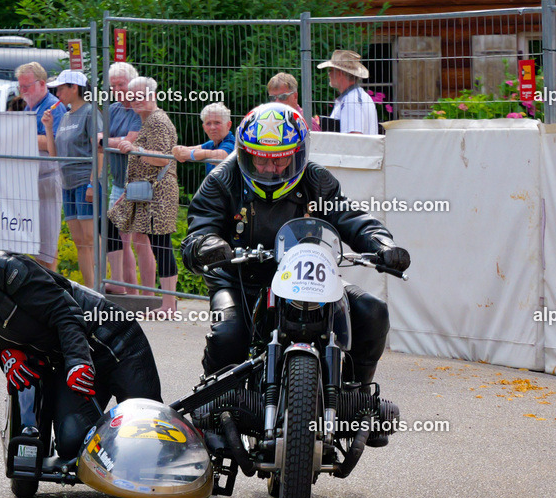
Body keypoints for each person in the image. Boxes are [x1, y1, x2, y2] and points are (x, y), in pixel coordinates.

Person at [180, 102, 410, 444]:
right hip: (242, 277)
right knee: (228, 332)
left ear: (298, 153)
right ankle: (214, 413)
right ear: (245, 153)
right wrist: (207, 245)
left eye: (281, 158)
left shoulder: (316, 179)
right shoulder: (223, 180)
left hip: (305, 275)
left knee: (372, 311)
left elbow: (349, 217)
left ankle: (359, 395)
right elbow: (199, 227)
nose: (271, 166)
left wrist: (381, 243)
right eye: (260, 157)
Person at [0, 218, 162, 460]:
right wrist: (7, 356)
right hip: (68, 363)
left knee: (150, 441)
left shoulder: (2, 268)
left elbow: (65, 312)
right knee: (72, 444)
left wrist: (79, 360)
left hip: (114, 341)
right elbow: (3, 338)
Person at [111, 76, 179, 313]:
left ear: (153, 96)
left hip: (158, 194)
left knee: (162, 247)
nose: (136, 100)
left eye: (141, 95)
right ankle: (162, 300)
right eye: (133, 96)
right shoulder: (148, 121)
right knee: (114, 224)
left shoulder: (157, 121)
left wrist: (135, 149)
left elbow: (162, 159)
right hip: (147, 193)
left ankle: (169, 304)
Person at [42, 69, 103, 289]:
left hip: (83, 181)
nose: (57, 93)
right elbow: (54, 153)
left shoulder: (90, 112)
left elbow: (100, 149)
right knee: (79, 241)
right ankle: (90, 288)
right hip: (66, 183)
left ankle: (98, 286)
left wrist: (91, 183)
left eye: (60, 88)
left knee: (89, 239)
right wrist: (48, 127)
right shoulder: (66, 115)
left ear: (73, 88)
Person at [16, 61, 66, 271]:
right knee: (37, 242)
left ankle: (50, 286)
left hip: (47, 178)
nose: (22, 91)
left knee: (48, 240)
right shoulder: (30, 106)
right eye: (20, 87)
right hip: (33, 180)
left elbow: (54, 142)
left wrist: (21, 136)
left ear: (42, 84)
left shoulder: (54, 107)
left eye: (26, 86)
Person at [100, 62, 142, 294]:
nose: (117, 88)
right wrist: (114, 142)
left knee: (135, 241)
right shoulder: (113, 109)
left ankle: (135, 292)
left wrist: (107, 141)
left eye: (121, 84)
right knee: (120, 239)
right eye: (113, 85)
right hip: (116, 182)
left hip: (136, 182)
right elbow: (98, 138)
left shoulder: (138, 109)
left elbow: (131, 141)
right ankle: (126, 289)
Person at [316, 50, 379, 135]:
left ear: (340, 73)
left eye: (331, 70)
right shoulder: (358, 96)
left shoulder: (351, 100)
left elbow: (354, 137)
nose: (329, 74)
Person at [172, 102, 234, 174]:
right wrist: (178, 149)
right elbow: (188, 149)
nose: (212, 127)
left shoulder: (232, 143)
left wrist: (191, 154)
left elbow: (221, 156)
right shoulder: (212, 143)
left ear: (228, 125)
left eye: (217, 123)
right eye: (208, 123)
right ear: (204, 127)